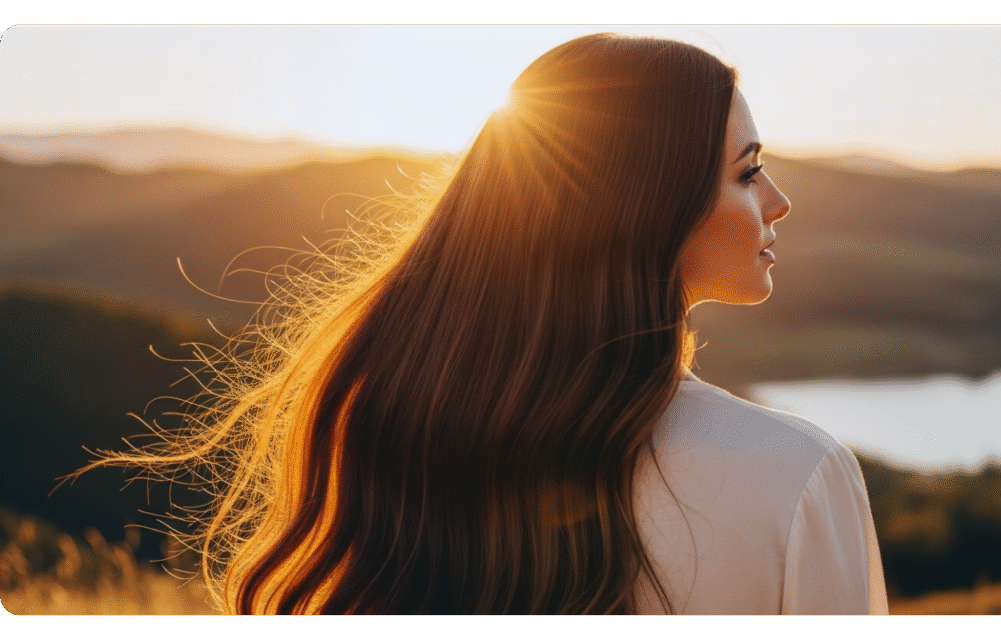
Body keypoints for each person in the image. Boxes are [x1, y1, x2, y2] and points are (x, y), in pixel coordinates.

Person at [89, 33, 887, 614]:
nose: (779, 200)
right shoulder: (800, 478)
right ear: (645, 209)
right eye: (748, 171)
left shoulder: (397, 430)